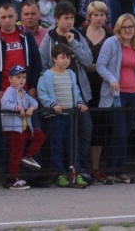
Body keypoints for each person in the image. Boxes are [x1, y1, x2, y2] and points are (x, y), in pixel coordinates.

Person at [39, 0, 94, 184]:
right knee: (59, 137)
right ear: (56, 19)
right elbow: (42, 64)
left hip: (78, 93)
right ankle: (60, 171)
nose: (70, 22)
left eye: (72, 18)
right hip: (58, 96)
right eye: (66, 18)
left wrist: (74, 44)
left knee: (84, 130)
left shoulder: (77, 35)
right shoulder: (48, 38)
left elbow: (88, 61)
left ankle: (80, 170)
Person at [96, 14, 135, 184]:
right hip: (116, 95)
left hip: (134, 94)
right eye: (124, 27)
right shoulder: (111, 43)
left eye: (131, 27)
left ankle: (121, 170)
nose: (127, 30)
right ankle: (110, 171)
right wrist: (112, 79)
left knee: (126, 133)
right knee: (119, 133)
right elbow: (100, 65)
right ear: (118, 29)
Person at [37, 44, 89, 188]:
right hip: (56, 117)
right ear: (54, 58)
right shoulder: (47, 75)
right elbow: (42, 93)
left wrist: (79, 102)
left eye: (68, 58)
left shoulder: (71, 74)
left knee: (73, 145)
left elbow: (76, 90)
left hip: (71, 115)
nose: (66, 61)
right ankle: (59, 174)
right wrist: (52, 105)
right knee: (58, 145)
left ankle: (75, 172)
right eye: (63, 57)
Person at [79, 0, 112, 182]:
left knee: (100, 127)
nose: (99, 18)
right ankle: (81, 165)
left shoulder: (111, 35)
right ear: (89, 16)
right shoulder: (80, 34)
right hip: (83, 86)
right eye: (95, 15)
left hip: (104, 87)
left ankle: (96, 167)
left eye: (102, 15)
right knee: (83, 127)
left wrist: (99, 68)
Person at [0, 65, 45, 190]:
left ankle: (28, 156)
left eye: (24, 77)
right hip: (14, 128)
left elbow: (33, 101)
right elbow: (4, 103)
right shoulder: (10, 91)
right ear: (10, 78)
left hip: (24, 128)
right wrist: (18, 108)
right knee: (16, 153)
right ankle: (12, 180)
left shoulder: (23, 92)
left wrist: (31, 108)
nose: (21, 80)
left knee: (39, 136)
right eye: (18, 77)